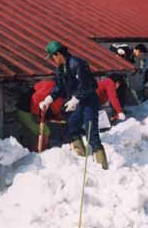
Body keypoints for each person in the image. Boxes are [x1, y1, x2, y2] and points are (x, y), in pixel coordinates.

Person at [39, 41, 108, 170]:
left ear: (58, 54)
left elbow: (86, 85)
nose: (53, 60)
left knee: (90, 132)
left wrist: (75, 99)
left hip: (88, 101)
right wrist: (48, 100)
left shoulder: (78, 64)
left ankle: (102, 166)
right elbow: (59, 87)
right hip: (76, 102)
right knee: (72, 126)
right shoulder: (60, 68)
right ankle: (81, 158)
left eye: (53, 57)